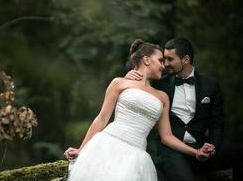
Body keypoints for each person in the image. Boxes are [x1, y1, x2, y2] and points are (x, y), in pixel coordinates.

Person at [64, 39, 211, 181]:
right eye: (160, 60)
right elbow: (102, 118)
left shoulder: (162, 96)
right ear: (147, 60)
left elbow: (167, 137)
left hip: (137, 156)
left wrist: (196, 152)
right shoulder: (119, 83)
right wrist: (81, 149)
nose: (164, 65)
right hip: (107, 144)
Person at [126, 37, 243, 181]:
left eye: (170, 59)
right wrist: (130, 75)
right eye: (163, 59)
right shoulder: (159, 84)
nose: (165, 64)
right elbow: (137, 88)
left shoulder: (211, 85)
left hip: (200, 146)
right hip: (171, 150)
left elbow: (217, 124)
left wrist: (211, 146)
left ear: (186, 59)